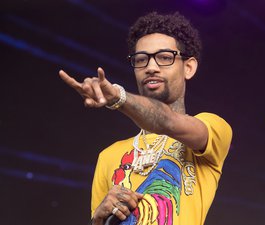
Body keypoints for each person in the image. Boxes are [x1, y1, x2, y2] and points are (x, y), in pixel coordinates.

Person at [59, 11, 232, 225]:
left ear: (188, 67)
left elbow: (166, 121)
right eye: (141, 59)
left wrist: (118, 97)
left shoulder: (213, 128)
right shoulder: (108, 155)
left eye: (165, 57)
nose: (150, 67)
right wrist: (98, 219)